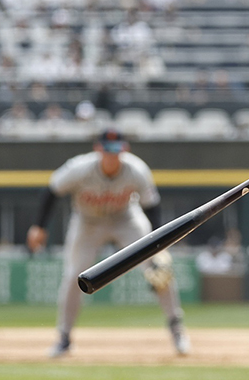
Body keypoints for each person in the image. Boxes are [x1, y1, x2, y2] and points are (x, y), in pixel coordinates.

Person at [27, 129, 190, 358]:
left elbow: (152, 207)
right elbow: (52, 191)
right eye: (107, 149)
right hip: (88, 222)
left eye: (116, 149)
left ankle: (177, 331)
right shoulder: (80, 168)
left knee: (159, 269)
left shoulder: (136, 170)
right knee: (74, 275)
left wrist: (158, 246)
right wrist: (39, 226)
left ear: (124, 150)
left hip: (126, 219)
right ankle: (64, 338)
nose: (111, 154)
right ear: (98, 149)